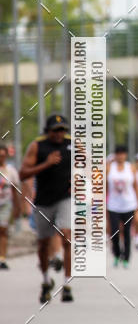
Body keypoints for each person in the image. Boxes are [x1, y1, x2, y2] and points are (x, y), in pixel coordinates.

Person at [19, 114, 73, 303]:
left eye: (62, 130)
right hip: (43, 201)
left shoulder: (72, 144)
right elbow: (23, 173)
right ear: (48, 131)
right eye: (56, 131)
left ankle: (67, 284)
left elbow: (90, 166)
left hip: (65, 198)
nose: (60, 134)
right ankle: (46, 280)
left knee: (67, 236)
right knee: (43, 244)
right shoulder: (37, 146)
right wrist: (46, 164)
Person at [107, 145, 138, 268]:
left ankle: (126, 257)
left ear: (125, 155)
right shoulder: (109, 168)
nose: (120, 156)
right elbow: (104, 187)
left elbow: (136, 186)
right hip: (113, 205)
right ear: (115, 155)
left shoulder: (130, 167)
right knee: (114, 231)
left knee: (127, 232)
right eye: (118, 153)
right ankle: (116, 254)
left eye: (122, 153)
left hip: (128, 205)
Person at [0, 144, 20, 269]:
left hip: (5, 204)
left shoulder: (11, 170)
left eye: (3, 155)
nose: (1, 158)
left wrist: (18, 207)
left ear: (6, 155)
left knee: (3, 230)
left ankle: (2, 258)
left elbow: (15, 190)